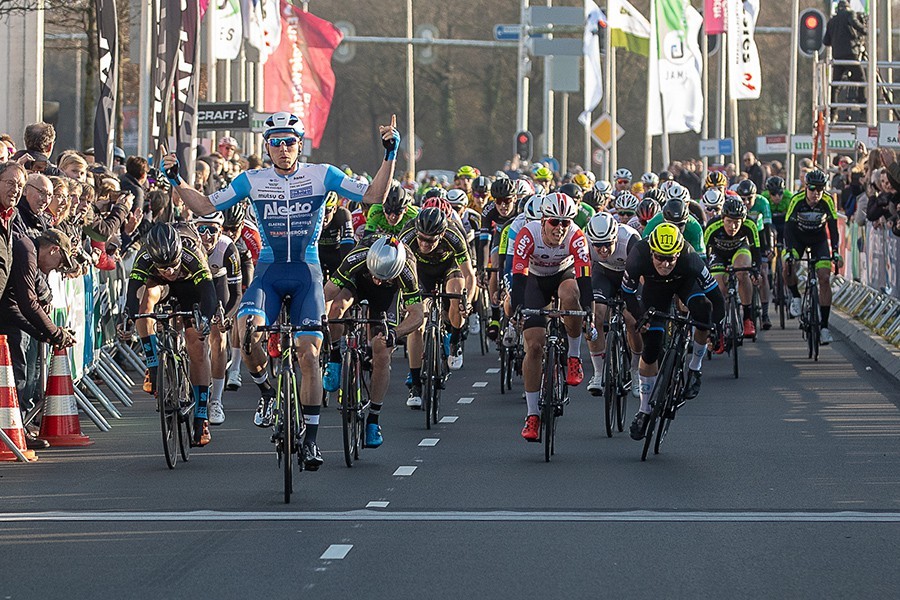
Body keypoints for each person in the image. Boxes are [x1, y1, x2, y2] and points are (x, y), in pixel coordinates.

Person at [161, 111, 399, 470]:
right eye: (276, 143)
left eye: (290, 142)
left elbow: (374, 195)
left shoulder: (322, 175)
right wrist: (176, 178)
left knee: (308, 354)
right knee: (247, 333)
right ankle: (268, 394)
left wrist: (389, 153)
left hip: (306, 272)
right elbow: (207, 206)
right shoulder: (252, 180)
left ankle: (313, 441)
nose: (284, 148)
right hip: (270, 272)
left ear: (300, 145)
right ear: (267, 147)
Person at [622, 224, 724, 441]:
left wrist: (717, 329)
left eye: (671, 258)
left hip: (685, 285)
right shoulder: (638, 254)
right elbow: (628, 293)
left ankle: (695, 367)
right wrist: (641, 316)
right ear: (651, 252)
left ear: (679, 252)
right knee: (651, 349)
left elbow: (717, 298)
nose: (666, 264)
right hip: (654, 292)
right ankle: (643, 410)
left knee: (703, 310)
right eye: (660, 257)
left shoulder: (690, 257)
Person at [324, 236, 424, 446]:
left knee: (381, 350)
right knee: (336, 309)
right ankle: (334, 357)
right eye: (375, 275)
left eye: (382, 278)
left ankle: (373, 419)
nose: (377, 280)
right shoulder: (358, 257)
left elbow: (417, 315)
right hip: (358, 281)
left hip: (388, 296)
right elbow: (328, 292)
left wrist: (395, 334)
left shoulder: (407, 269)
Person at [511, 193, 593, 442]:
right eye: (554, 222)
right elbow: (518, 276)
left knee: (571, 295)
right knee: (534, 347)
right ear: (544, 220)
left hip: (563, 275)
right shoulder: (528, 233)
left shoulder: (577, 236)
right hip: (534, 281)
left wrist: (588, 309)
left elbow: (585, 276)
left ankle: (574, 356)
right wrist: (518, 308)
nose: (559, 228)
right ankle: (533, 414)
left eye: (565, 223)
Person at [0, 229, 77, 449]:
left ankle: (16, 431)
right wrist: (54, 334)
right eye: (59, 261)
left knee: (19, 371)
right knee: (17, 373)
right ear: (54, 249)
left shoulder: (28, 250)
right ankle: (12, 433)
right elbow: (27, 303)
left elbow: (17, 305)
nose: (57, 268)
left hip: (7, 314)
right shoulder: (27, 251)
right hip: (6, 315)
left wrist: (46, 334)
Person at [583, 212, 642, 397]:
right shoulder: (585, 242)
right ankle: (599, 373)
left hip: (629, 273)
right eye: (598, 245)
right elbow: (583, 276)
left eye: (607, 244)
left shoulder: (630, 239)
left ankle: (636, 371)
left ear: (615, 237)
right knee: (595, 317)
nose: (603, 250)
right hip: (603, 274)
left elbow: (641, 276)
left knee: (632, 321)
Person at [783, 169, 841, 344]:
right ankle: (795, 297)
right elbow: (788, 229)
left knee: (824, 277)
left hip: (818, 240)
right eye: (813, 188)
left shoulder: (827, 201)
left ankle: (824, 327)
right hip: (798, 239)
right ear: (806, 187)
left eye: (821, 189)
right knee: (787, 265)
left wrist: (836, 251)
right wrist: (790, 252)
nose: (816, 193)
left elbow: (833, 227)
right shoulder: (796, 200)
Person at [195, 212, 242, 425]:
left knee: (218, 337)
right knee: (193, 337)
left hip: (217, 282)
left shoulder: (227, 248)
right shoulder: (187, 245)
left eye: (212, 230)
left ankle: (216, 400)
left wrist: (226, 318)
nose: (206, 236)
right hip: (194, 284)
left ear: (220, 231)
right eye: (201, 229)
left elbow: (236, 294)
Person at [823, 0, 867, 107]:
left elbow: (826, 41)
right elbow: (854, 23)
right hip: (850, 54)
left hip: (837, 56)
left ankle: (833, 111)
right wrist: (865, 30)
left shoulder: (831, 21)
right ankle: (863, 107)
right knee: (861, 79)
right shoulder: (850, 14)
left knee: (835, 84)